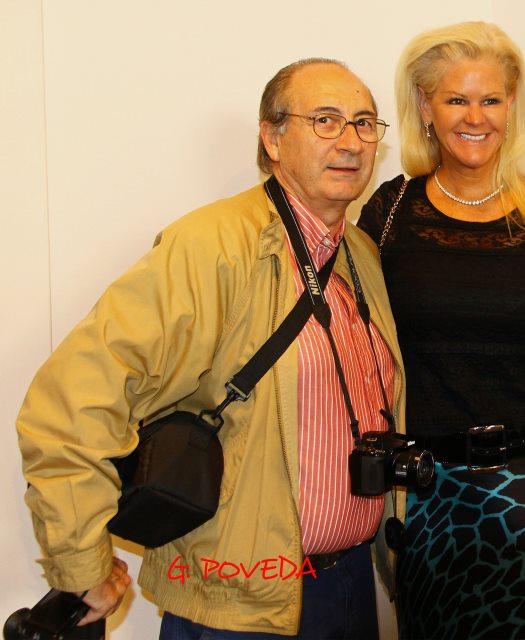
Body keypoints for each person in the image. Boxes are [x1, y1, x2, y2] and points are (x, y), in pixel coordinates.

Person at [16, 58, 404, 639]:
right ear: (273, 138)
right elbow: (70, 404)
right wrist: (79, 564)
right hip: (238, 605)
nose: (350, 141)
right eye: (325, 120)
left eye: (364, 123)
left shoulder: (361, 256)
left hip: (347, 587)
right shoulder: (209, 248)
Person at [356, 21, 525, 640]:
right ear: (426, 108)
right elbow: (360, 353)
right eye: (456, 99)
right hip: (423, 492)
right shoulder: (389, 211)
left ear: (511, 104)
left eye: (490, 99)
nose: (475, 117)